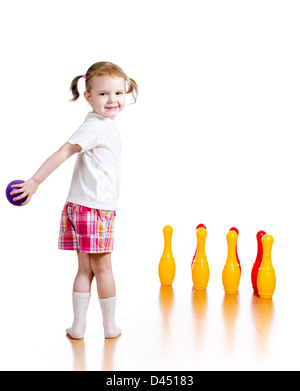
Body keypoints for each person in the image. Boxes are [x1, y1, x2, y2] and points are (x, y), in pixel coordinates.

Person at [10, 61, 138, 339]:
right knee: (103, 267)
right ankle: (110, 327)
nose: (113, 100)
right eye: (104, 94)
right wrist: (34, 181)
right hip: (95, 208)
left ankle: (78, 327)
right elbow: (63, 152)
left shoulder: (97, 123)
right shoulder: (95, 127)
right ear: (88, 97)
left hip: (82, 206)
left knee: (85, 269)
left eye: (119, 93)